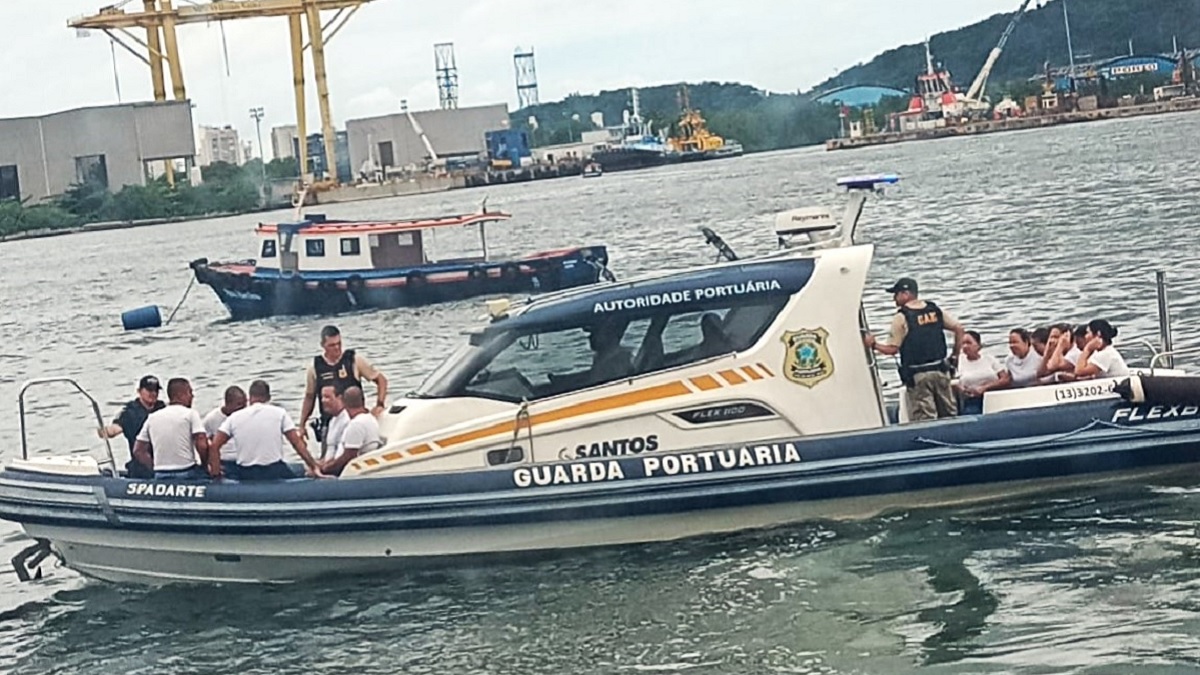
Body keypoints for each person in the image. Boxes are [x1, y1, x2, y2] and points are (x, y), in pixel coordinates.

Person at [863, 277, 964, 422]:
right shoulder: (934, 310)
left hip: (918, 376)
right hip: (942, 371)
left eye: (896, 294)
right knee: (949, 414)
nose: (894, 298)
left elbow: (892, 349)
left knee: (925, 418)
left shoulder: (902, 317)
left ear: (906, 294)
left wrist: (873, 344)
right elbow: (959, 329)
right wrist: (955, 356)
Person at [210, 379, 324, 481]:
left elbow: (215, 446)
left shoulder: (234, 418)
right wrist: (313, 466)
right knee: (301, 473)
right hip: (273, 470)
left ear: (249, 398)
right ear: (269, 397)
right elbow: (296, 443)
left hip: (246, 472)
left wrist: (216, 475)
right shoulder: (280, 413)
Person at [298, 325, 389, 443]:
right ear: (323, 345)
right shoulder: (315, 368)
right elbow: (310, 397)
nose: (336, 348)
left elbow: (381, 380)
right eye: (332, 345)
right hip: (330, 423)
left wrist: (380, 404)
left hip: (355, 421)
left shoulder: (354, 360)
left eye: (339, 343)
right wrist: (302, 424)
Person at [132, 378, 209, 480]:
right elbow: (201, 442)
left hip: (161, 473)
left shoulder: (152, 417)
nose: (192, 396)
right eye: (190, 392)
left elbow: (138, 450)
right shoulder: (190, 414)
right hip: (186, 471)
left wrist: (153, 466)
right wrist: (205, 465)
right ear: (180, 395)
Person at [98, 375, 166, 479]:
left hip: (164, 462)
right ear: (139, 391)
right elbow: (116, 428)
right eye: (149, 390)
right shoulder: (130, 412)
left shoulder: (162, 408)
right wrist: (106, 431)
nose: (153, 394)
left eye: (156, 390)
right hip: (141, 466)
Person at [320, 387, 382, 477]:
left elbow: (348, 457)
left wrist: (324, 470)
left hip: (344, 474)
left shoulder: (356, 424)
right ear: (363, 400)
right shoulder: (369, 418)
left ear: (344, 402)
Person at [954, 330, 1011, 414]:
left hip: (993, 396)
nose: (965, 346)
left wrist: (985, 387)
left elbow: (1005, 379)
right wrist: (962, 389)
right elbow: (953, 381)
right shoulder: (959, 361)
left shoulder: (989, 359)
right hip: (972, 399)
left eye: (969, 343)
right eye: (963, 343)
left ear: (978, 346)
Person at [202, 386, 247, 479]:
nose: (243, 408)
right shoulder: (211, 418)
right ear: (228, 403)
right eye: (239, 404)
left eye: (245, 404)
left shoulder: (246, 416)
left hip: (243, 461)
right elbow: (202, 441)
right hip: (224, 461)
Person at [319, 384, 350, 461]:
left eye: (327, 397)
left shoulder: (346, 420)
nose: (323, 400)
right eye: (322, 397)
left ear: (339, 398)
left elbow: (341, 456)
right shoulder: (332, 420)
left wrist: (322, 467)